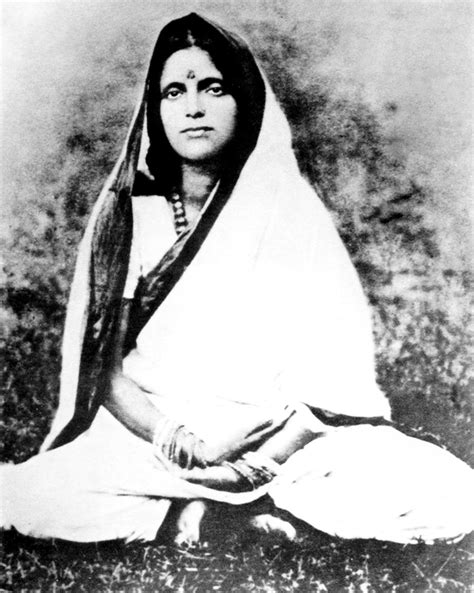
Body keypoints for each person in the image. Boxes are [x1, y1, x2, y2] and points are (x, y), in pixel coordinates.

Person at [1, 12, 473, 546]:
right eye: (174, 92)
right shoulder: (133, 217)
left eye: (213, 88)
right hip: (154, 430)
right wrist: (184, 443)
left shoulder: (289, 212)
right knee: (31, 496)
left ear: (244, 101)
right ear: (155, 110)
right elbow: (105, 372)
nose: (193, 107)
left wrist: (255, 464)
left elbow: (331, 374)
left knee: (445, 495)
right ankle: (218, 518)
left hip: (278, 431)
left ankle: (223, 508)